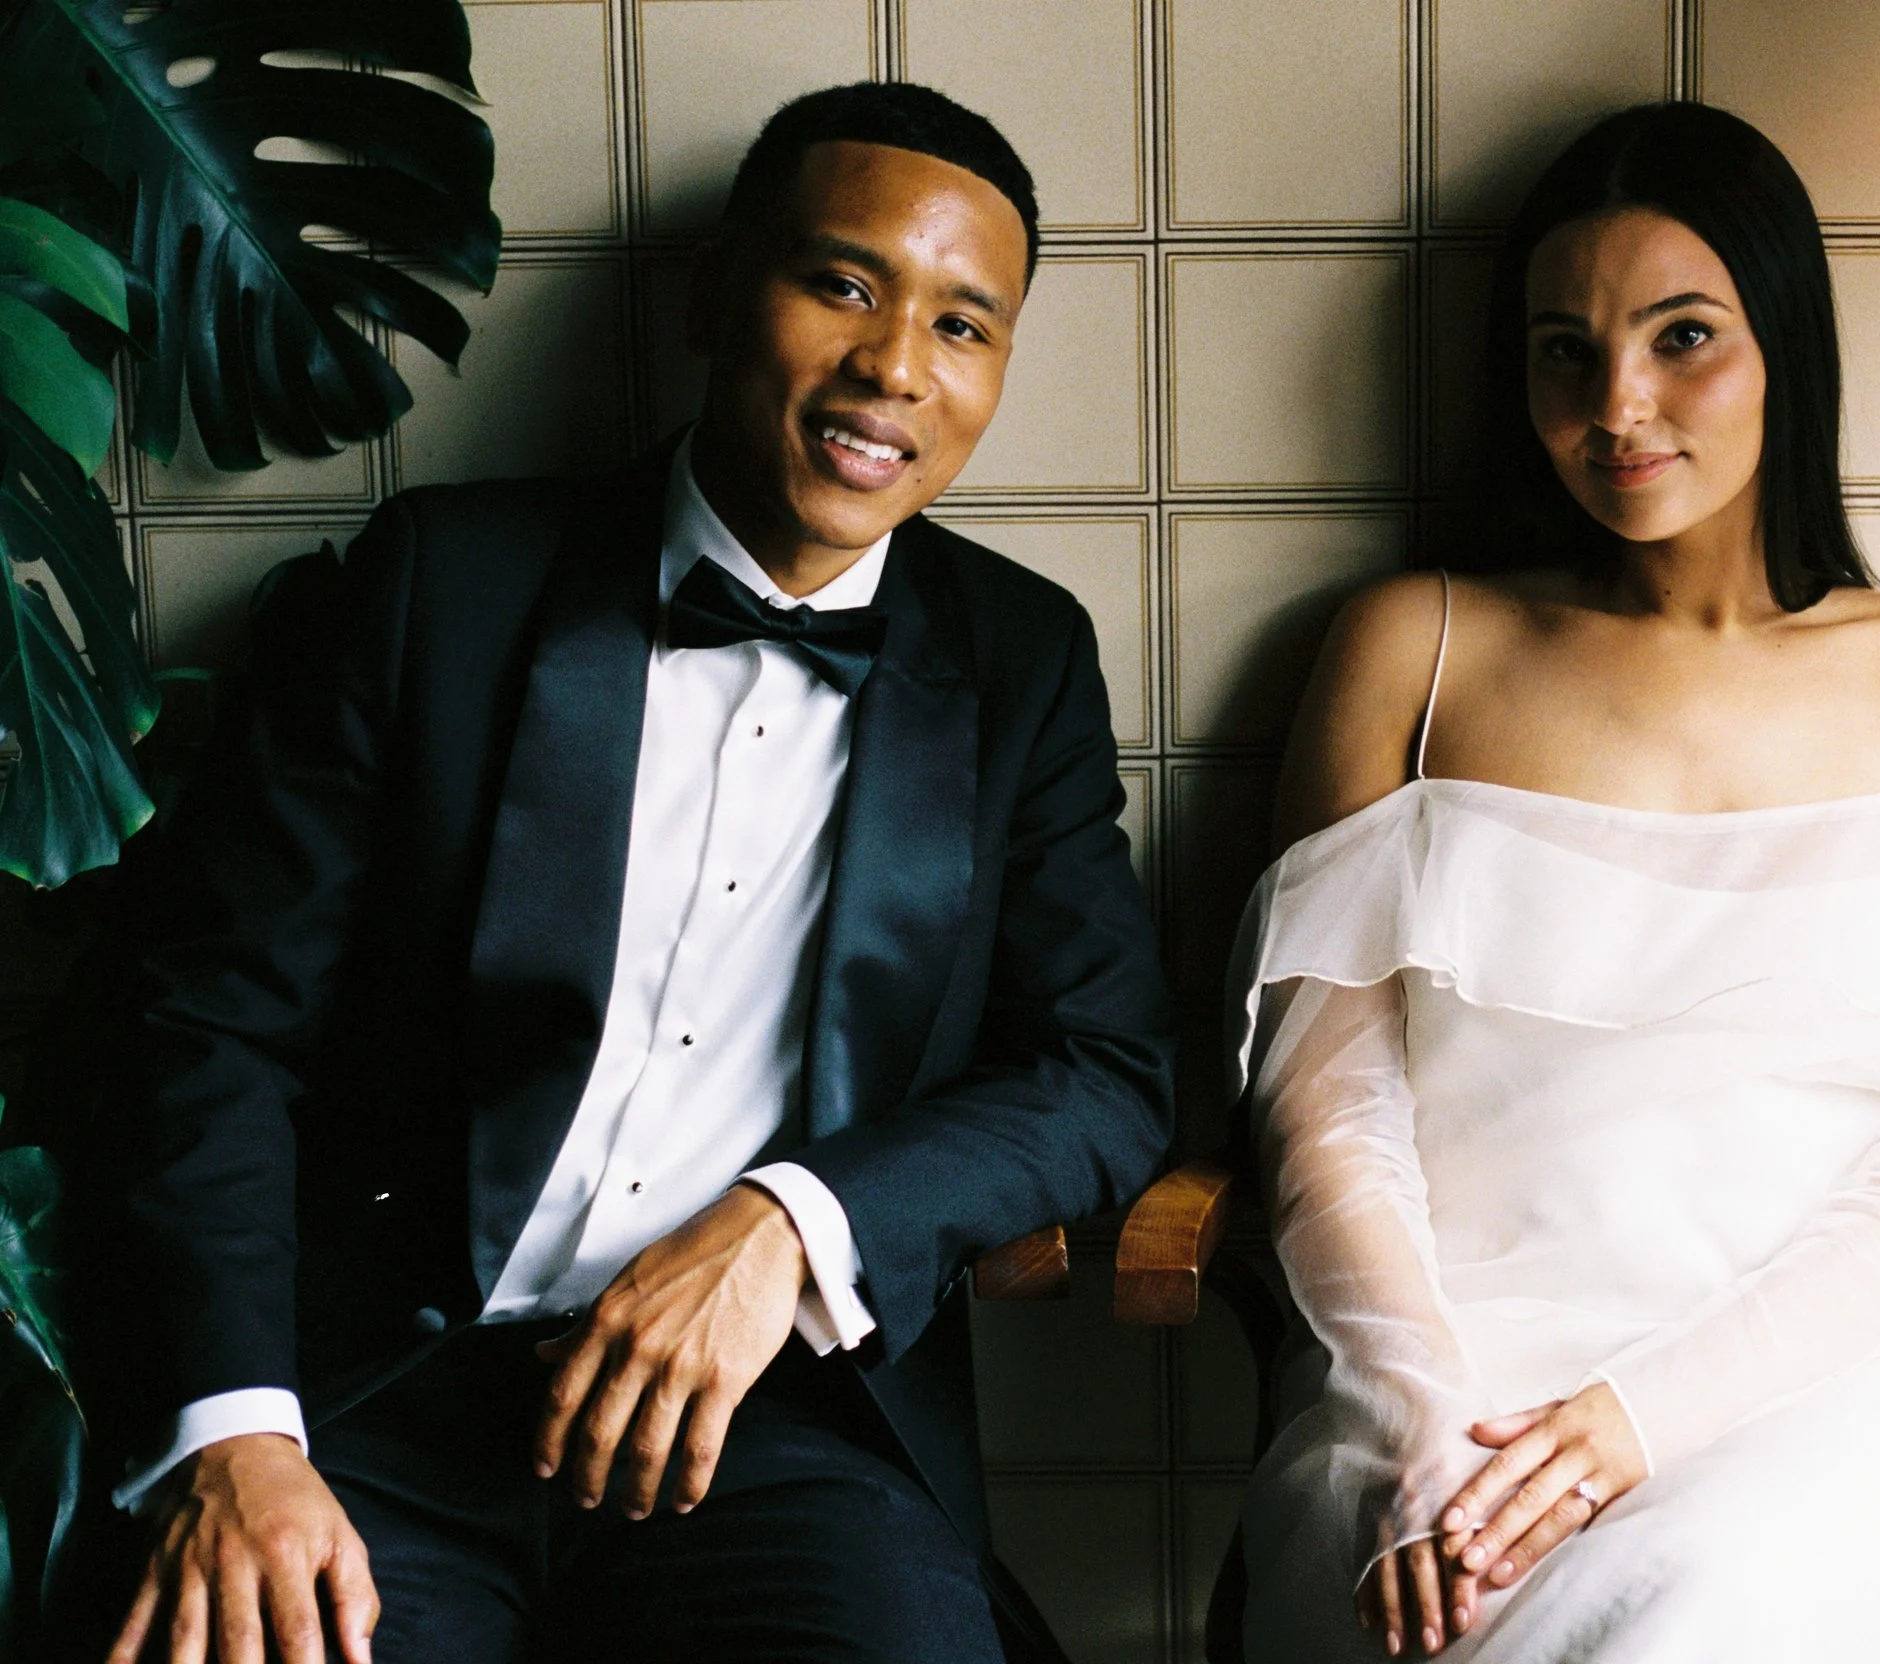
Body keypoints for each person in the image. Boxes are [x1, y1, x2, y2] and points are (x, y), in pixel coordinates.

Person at [56, 81, 1173, 1664]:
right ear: (718, 296)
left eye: (962, 326)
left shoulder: (1022, 658)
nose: (892, 368)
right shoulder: (439, 586)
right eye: (842, 283)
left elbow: (1104, 1071)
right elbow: (203, 1021)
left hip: (772, 1433)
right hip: (372, 1408)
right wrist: (236, 1434)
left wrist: (797, 1220)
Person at [1232, 101, 1880, 1662]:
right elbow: (1325, 1106)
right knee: (1477, 1593)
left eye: (1683, 339)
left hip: (1839, 1387)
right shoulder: (1416, 645)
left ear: (1784, 345)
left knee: (1711, 1609)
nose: (1619, 405)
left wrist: (1637, 1423)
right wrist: (1423, 1423)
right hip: (1463, 1378)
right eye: (1563, 351)